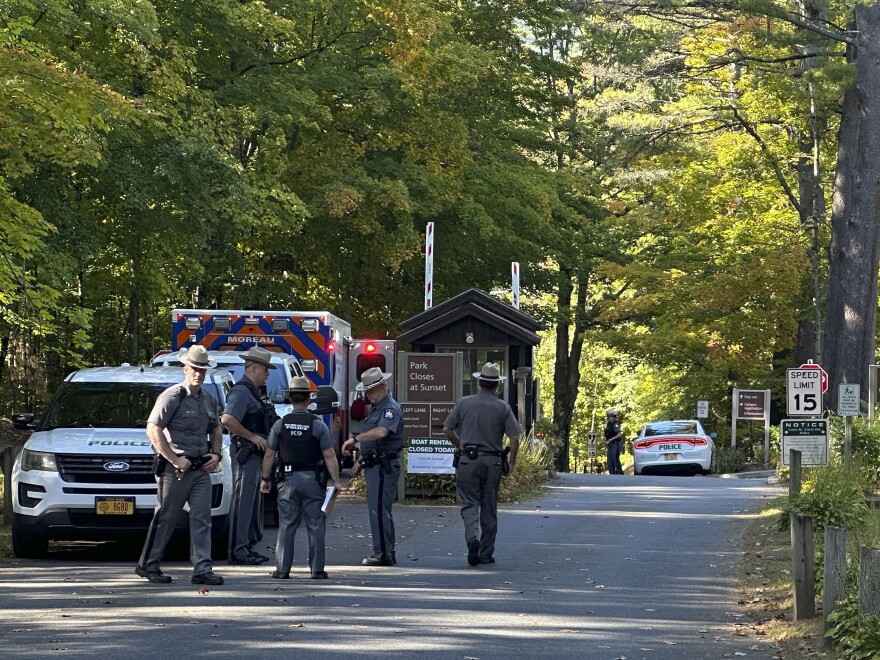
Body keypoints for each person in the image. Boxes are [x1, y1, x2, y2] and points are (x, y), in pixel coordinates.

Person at [136, 345, 224, 585]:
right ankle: (148, 565)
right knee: (166, 517)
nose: (198, 374)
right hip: (175, 470)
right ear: (185, 369)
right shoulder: (172, 396)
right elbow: (152, 429)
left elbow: (216, 428)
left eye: (202, 370)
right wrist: (174, 458)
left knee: (202, 519)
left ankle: (203, 569)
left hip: (200, 469)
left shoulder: (208, 399)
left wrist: (216, 454)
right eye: (194, 369)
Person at [259, 377, 343, 579]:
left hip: (287, 480)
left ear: (289, 398)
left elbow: (270, 453)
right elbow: (329, 455)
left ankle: (282, 569)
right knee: (316, 524)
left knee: (287, 524)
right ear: (308, 398)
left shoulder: (280, 424)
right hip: (313, 480)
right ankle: (317, 570)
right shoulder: (317, 424)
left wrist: (265, 478)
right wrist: (337, 482)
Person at [444, 362, 520, 566]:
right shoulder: (502, 407)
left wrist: (461, 445)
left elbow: (448, 429)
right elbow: (514, 438)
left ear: (479, 383)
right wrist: (511, 463)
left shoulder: (463, 403)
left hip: (468, 460)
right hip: (492, 461)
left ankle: (472, 538)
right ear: (496, 385)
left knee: (469, 503)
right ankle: (486, 553)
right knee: (489, 506)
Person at [221, 346, 278, 565]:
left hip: (256, 457)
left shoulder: (255, 392)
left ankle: (248, 545)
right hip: (246, 455)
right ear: (253, 369)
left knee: (252, 503)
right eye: (265, 370)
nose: (267, 374)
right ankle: (237, 550)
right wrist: (252, 437)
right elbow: (227, 419)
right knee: (242, 503)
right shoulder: (241, 392)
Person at [341, 366, 403, 566]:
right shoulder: (377, 408)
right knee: (379, 509)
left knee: (378, 510)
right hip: (376, 463)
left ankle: (382, 553)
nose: (368, 395)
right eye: (366, 391)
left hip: (384, 466)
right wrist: (362, 459)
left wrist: (355, 440)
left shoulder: (390, 408)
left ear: (383, 387)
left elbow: (381, 433)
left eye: (372, 390)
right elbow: (374, 441)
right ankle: (386, 551)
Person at [605, 409, 624, 475]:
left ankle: (619, 473)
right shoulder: (608, 424)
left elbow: (619, 434)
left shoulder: (616, 423)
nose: (607, 418)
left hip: (616, 443)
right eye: (607, 416)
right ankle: (612, 473)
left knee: (615, 457)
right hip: (610, 443)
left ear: (612, 416)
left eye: (608, 416)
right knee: (609, 459)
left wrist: (611, 439)